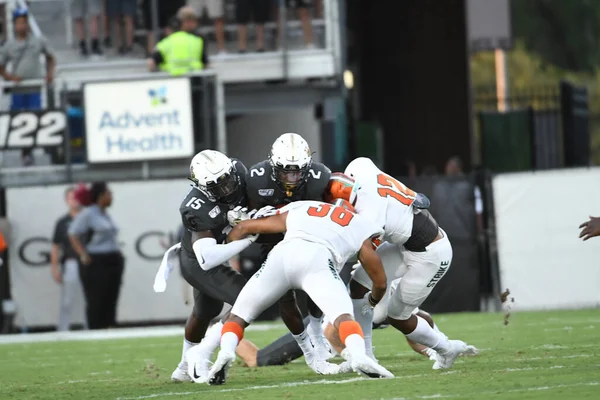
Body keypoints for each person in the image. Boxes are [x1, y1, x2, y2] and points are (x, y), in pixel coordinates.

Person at [208, 199, 394, 384]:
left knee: (237, 316)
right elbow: (380, 282)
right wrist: (372, 300)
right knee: (344, 317)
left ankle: (225, 352)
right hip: (317, 259)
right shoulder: (358, 224)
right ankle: (359, 356)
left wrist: (226, 244)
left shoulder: (305, 207)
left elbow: (246, 227)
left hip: (281, 256)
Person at [327, 159, 478, 369]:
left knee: (398, 317)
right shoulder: (358, 169)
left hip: (431, 254)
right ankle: (366, 354)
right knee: (358, 284)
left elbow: (363, 255)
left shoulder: (370, 216)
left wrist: (371, 296)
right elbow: (364, 165)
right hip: (406, 244)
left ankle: (446, 348)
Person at [243, 133, 333, 362]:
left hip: (308, 236)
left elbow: (328, 215)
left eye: (297, 171)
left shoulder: (320, 177)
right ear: (274, 166)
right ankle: (305, 345)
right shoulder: (257, 178)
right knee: (284, 295)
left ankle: (315, 328)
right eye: (286, 171)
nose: (292, 178)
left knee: (319, 282)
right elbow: (251, 216)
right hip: (274, 238)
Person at [68, 182, 124, 330]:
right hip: (97, 260)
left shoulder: (105, 214)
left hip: (112, 259)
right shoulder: (88, 214)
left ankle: (110, 324)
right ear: (100, 196)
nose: (111, 197)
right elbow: (73, 233)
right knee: (96, 297)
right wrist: (83, 254)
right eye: (108, 194)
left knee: (111, 295)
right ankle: (96, 328)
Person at [0, 8, 56, 110]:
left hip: (35, 88)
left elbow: (51, 57)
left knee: (36, 112)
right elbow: (1, 66)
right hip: (17, 89)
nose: (22, 26)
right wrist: (11, 78)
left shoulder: (38, 41)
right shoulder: (9, 45)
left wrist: (50, 74)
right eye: (19, 23)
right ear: (15, 25)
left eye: (24, 22)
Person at [51, 187, 88, 331]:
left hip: (88, 263)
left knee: (90, 299)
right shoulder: (62, 222)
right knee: (67, 300)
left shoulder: (88, 218)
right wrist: (54, 268)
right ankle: (63, 329)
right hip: (71, 262)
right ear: (66, 201)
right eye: (71, 197)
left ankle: (92, 328)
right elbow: (56, 247)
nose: (75, 201)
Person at [147, 6, 208, 75]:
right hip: (194, 79)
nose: (192, 24)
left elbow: (151, 62)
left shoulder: (168, 40)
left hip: (171, 79)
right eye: (189, 20)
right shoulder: (198, 40)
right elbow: (205, 63)